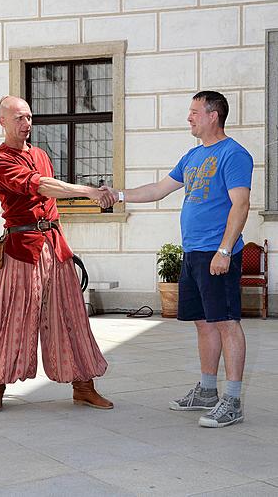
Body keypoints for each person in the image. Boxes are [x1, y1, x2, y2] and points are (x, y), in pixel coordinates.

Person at [104, 91, 253, 428]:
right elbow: (158, 189)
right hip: (193, 253)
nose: (189, 118)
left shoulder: (234, 154)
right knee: (203, 322)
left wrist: (225, 250)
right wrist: (119, 195)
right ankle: (207, 390)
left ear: (213, 115)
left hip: (217, 252)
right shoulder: (191, 156)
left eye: (194, 112)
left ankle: (232, 399)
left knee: (227, 322)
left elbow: (240, 205)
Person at [0, 95, 115, 412]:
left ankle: (84, 386)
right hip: (23, 249)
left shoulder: (39, 154)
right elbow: (42, 186)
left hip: (56, 245)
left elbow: (50, 199)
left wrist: (60, 238)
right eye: (18, 118)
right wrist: (89, 191)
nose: (26, 124)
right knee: (11, 318)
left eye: (29, 117)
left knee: (71, 315)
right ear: (3, 122)